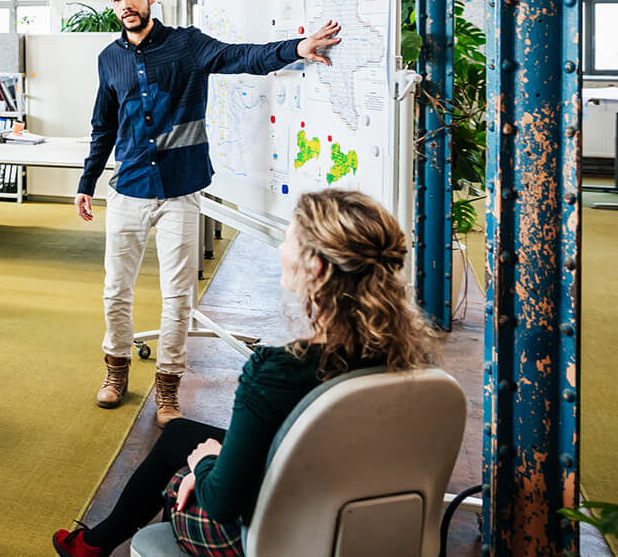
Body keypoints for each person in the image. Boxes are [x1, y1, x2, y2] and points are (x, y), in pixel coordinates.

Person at [52, 189, 436, 557]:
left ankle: (99, 543)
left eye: (288, 239)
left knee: (180, 482)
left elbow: (222, 503)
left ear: (315, 266)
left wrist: (206, 463)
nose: (282, 249)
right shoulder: (410, 358)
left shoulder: (277, 373)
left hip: (272, 533)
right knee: (181, 434)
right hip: (353, 512)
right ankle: (95, 543)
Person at [76, 0, 341, 424]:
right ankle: (115, 370)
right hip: (129, 190)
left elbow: (243, 57)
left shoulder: (187, 45)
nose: (125, 6)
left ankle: (168, 387)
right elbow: (103, 127)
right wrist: (86, 183)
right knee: (116, 291)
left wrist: (298, 48)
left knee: (178, 296)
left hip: (181, 190)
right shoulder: (109, 59)